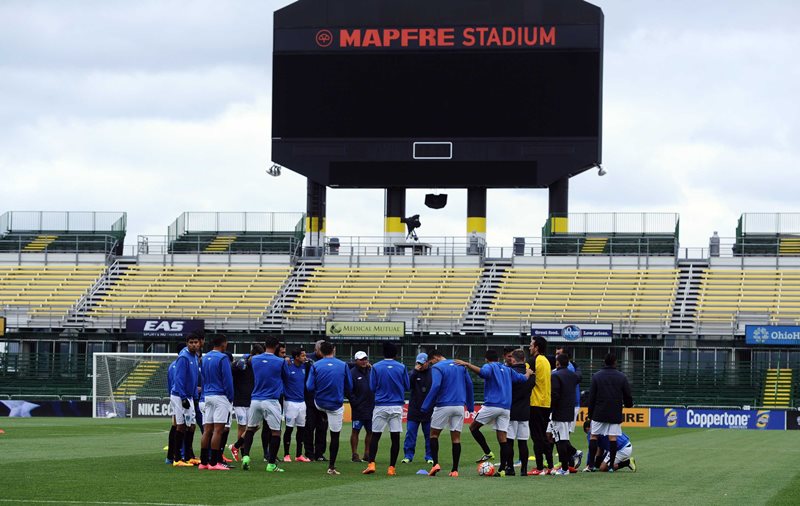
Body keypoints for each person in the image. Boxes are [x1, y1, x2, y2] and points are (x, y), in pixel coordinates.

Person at [456, 350, 531, 477]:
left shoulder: (489, 366)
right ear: (498, 358)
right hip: (506, 408)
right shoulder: (507, 369)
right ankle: (502, 470)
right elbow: (523, 379)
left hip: (492, 405)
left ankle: (488, 452)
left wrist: (467, 364)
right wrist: (528, 373)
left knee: (473, 428)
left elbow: (483, 373)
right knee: (503, 439)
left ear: (486, 359)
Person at [420, 349, 474, 477]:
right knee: (456, 438)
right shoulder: (459, 365)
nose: (431, 364)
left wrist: (425, 405)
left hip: (443, 405)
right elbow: (469, 384)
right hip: (459, 406)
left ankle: (435, 464)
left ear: (436, 357)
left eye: (431, 361)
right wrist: (470, 405)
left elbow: (436, 385)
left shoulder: (437, 367)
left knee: (433, 435)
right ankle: (455, 470)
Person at [239, 336, 287, 473]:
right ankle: (271, 464)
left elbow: (246, 360)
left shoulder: (254, 359)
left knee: (250, 429)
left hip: (255, 400)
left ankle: (246, 457)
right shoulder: (280, 361)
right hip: (271, 400)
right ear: (277, 346)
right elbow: (286, 377)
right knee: (276, 432)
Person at [305, 341, 353, 475]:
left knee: (319, 410)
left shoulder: (316, 365)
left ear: (320, 351)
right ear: (334, 350)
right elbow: (349, 386)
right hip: (335, 405)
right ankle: (331, 466)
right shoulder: (343, 365)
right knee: (335, 435)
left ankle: (322, 415)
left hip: (319, 403)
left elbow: (309, 387)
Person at [363, 342, 409, 476]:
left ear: (383, 353)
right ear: (396, 354)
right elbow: (407, 385)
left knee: (375, 435)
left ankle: (371, 464)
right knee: (395, 437)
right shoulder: (401, 367)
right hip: (396, 405)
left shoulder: (376, 367)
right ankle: (391, 468)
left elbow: (372, 387)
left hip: (381, 405)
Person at [586, 353, 634, 472]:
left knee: (593, 436)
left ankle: (590, 465)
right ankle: (611, 465)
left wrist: (590, 414)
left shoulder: (596, 376)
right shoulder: (621, 377)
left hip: (599, 412)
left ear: (604, 362)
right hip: (614, 412)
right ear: (615, 362)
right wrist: (629, 405)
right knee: (613, 438)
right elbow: (627, 394)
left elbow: (592, 397)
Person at [199, 335, 234, 470]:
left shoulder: (205, 357)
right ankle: (214, 463)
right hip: (220, 396)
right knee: (218, 431)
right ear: (223, 344)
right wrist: (230, 397)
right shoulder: (223, 358)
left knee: (207, 430)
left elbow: (203, 378)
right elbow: (227, 380)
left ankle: (203, 462)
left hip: (207, 396)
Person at [169, 333, 200, 467]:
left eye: (196, 342)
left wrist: (194, 396)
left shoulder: (195, 356)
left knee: (190, 425)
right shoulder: (183, 357)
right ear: (187, 343)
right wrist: (182, 397)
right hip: (180, 395)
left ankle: (187, 456)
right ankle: (177, 458)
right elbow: (179, 379)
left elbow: (193, 379)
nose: (194, 344)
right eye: (191, 342)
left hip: (189, 395)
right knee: (182, 426)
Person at [228, 344, 264, 462]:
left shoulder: (257, 366)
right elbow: (230, 370)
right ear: (253, 355)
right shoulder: (241, 364)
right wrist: (237, 363)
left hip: (252, 400)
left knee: (255, 426)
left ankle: (236, 446)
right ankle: (244, 455)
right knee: (242, 427)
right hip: (239, 400)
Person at [548, 353, 580, 476]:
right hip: (569, 410)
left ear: (557, 363)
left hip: (559, 411)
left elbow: (555, 395)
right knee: (564, 438)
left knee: (560, 440)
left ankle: (565, 468)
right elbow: (579, 377)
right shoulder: (573, 375)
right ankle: (574, 454)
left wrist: (551, 410)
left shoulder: (555, 375)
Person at [528, 336, 554, 475]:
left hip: (535, 402)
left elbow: (526, 378)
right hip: (546, 403)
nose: (529, 347)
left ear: (537, 347)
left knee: (537, 436)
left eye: (531, 344)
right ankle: (549, 466)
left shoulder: (533, 361)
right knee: (542, 435)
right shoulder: (546, 361)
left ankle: (539, 467)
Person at [507, 349, 535, 476]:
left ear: (513, 359)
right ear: (524, 359)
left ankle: (510, 468)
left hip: (511, 410)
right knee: (523, 442)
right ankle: (524, 470)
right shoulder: (531, 375)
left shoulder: (510, 373)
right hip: (525, 411)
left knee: (509, 441)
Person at [402, 352, 433, 465]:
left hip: (428, 410)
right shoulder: (413, 373)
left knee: (429, 435)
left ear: (427, 362)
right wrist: (415, 371)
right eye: (418, 363)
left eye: (422, 363)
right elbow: (407, 385)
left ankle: (429, 456)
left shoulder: (433, 373)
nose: (420, 365)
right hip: (414, 409)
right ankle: (408, 456)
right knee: (410, 433)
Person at [283, 348, 311, 462]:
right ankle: (286, 454)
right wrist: (284, 359)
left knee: (301, 429)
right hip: (290, 402)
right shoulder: (288, 366)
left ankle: (299, 455)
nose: (305, 357)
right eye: (303, 355)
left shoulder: (305, 367)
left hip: (302, 402)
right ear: (296, 357)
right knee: (289, 428)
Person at [304, 340, 329, 461]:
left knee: (322, 428)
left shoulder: (328, 359)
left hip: (323, 400)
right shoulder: (307, 358)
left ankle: (319, 453)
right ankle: (309, 453)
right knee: (309, 427)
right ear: (316, 349)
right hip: (310, 400)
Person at [348, 351, 374, 463]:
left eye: (365, 359)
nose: (364, 361)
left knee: (370, 431)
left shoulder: (371, 370)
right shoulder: (352, 372)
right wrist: (355, 402)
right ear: (356, 361)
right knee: (355, 431)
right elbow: (348, 390)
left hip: (371, 406)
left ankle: (367, 453)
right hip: (358, 408)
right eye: (361, 359)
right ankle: (354, 454)